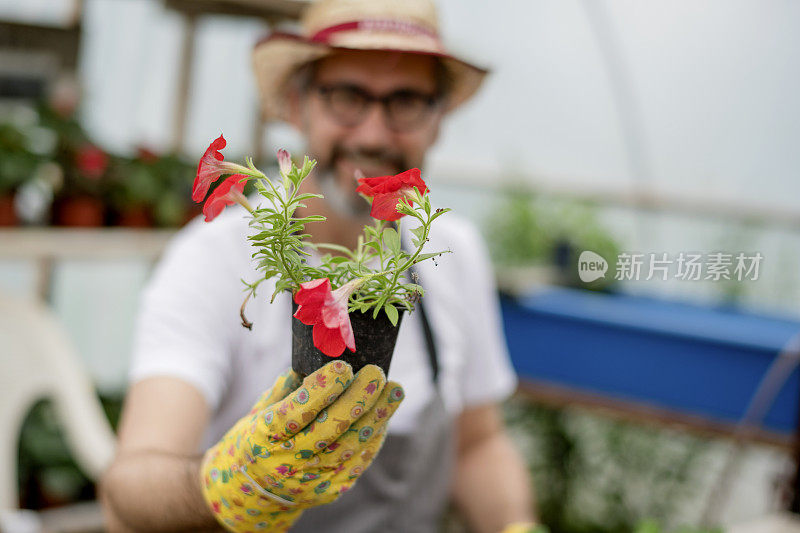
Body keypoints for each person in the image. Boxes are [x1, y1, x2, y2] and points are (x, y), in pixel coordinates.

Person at [100, 0, 537, 531]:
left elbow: (478, 444)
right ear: (294, 103)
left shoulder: (455, 252)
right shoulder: (212, 258)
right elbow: (129, 486)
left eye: (407, 102)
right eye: (347, 96)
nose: (374, 135)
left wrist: (517, 525)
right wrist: (228, 484)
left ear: (439, 117)